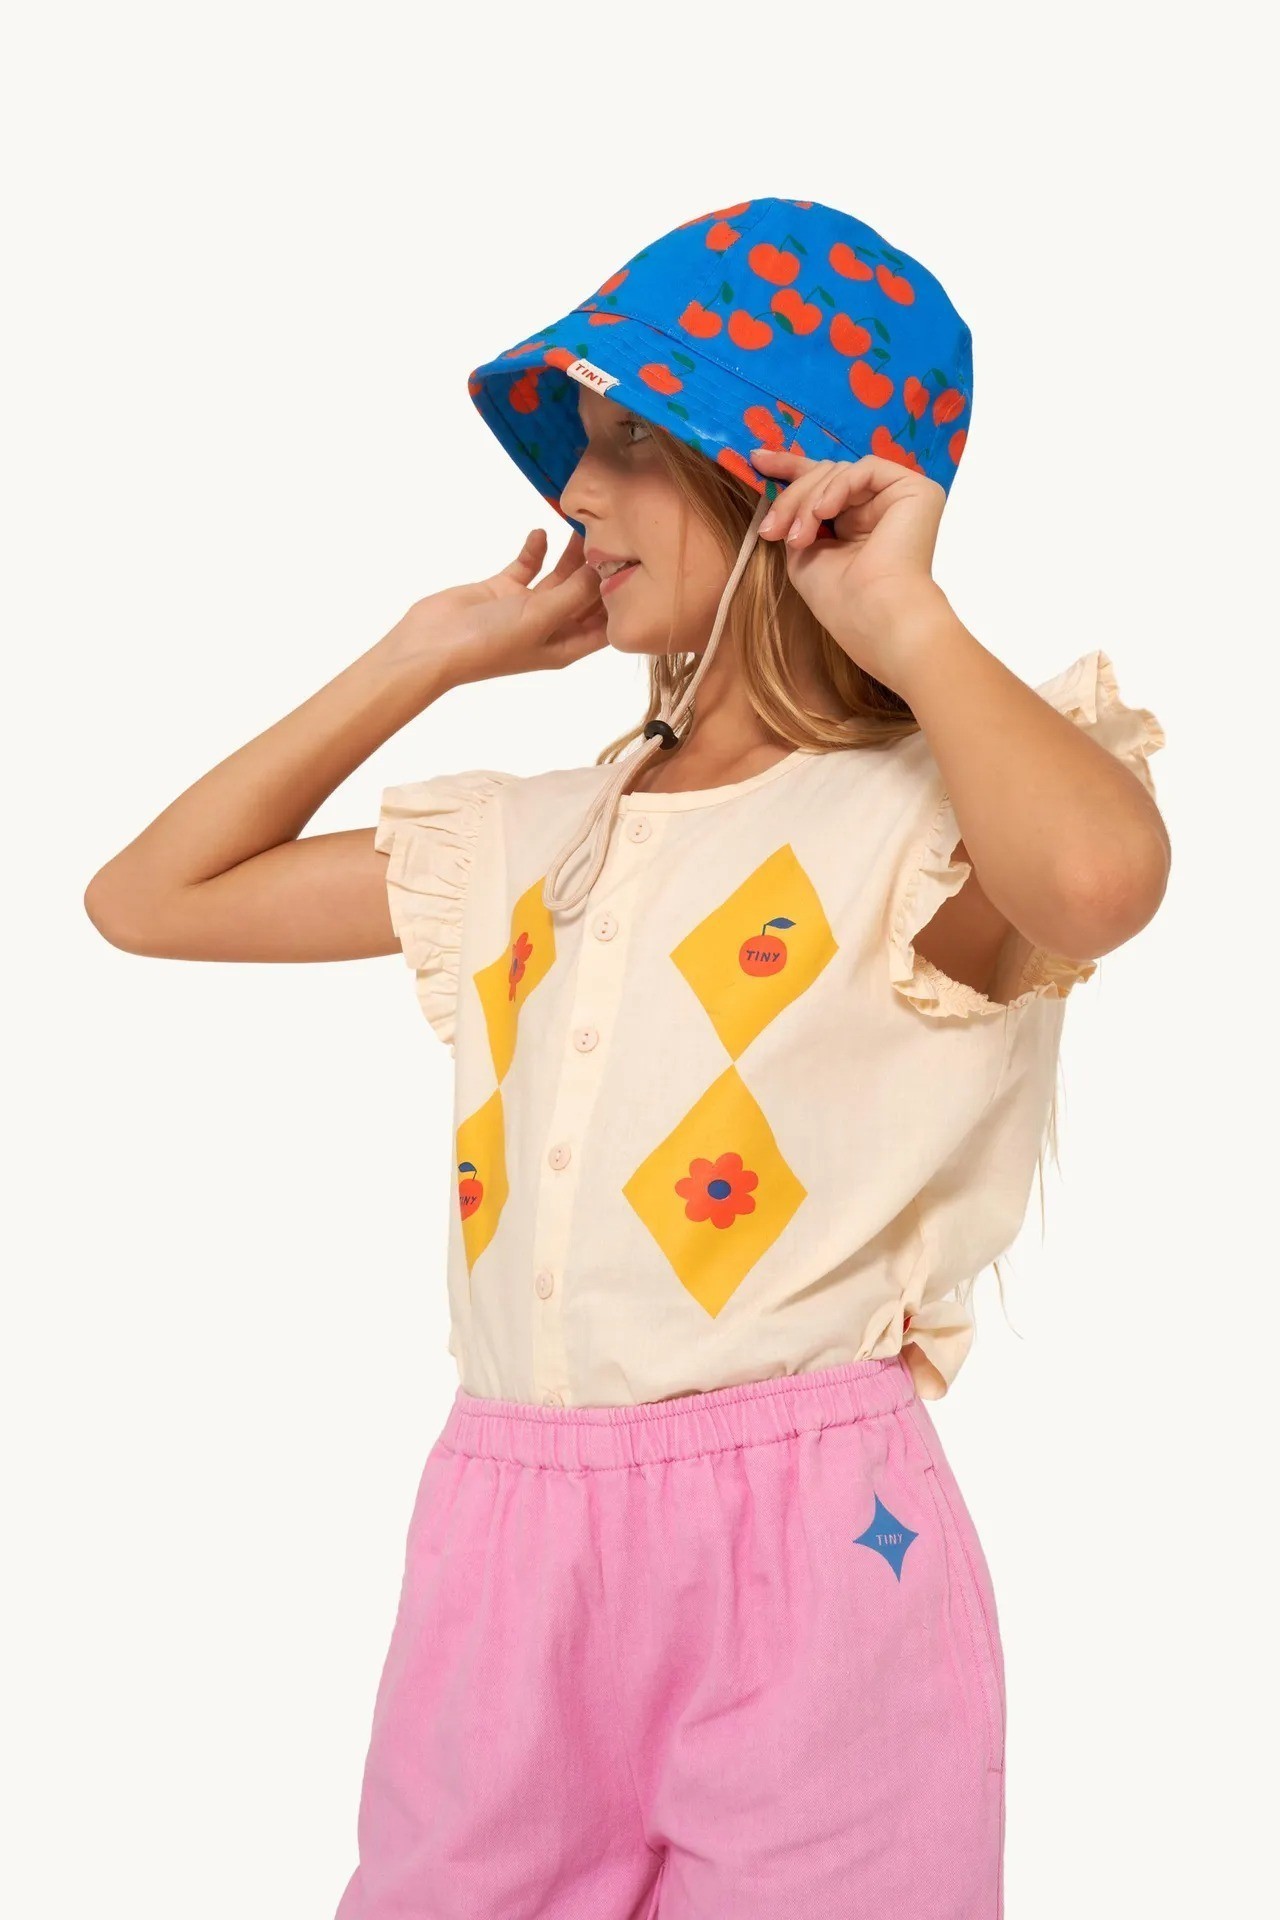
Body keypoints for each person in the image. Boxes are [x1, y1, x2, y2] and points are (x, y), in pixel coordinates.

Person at [85, 196, 1170, 1917]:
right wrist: (424, 656)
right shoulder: (528, 839)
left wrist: (908, 624)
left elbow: (1103, 883)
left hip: (814, 1545)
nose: (575, 494)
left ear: (787, 484)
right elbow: (149, 900)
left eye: (630, 443)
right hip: (504, 1534)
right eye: (581, 445)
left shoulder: (925, 826)